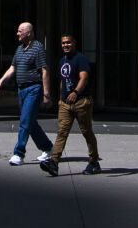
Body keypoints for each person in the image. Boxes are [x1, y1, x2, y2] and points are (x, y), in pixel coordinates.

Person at [0, 21, 51, 165]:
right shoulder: (19, 49)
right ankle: (48, 148)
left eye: (20, 31)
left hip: (33, 89)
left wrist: (46, 94)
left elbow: (44, 70)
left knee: (25, 121)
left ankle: (19, 154)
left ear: (28, 33)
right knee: (30, 122)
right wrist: (1, 81)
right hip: (21, 90)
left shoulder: (37, 48)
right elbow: (12, 68)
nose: (17, 33)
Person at [40, 33, 100, 176]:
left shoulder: (81, 59)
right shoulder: (62, 61)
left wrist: (76, 92)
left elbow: (84, 77)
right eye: (63, 43)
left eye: (68, 42)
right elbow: (62, 80)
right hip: (66, 103)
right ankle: (54, 162)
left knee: (87, 132)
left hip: (81, 102)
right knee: (62, 132)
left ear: (74, 43)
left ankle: (94, 162)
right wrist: (62, 98)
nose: (65, 45)